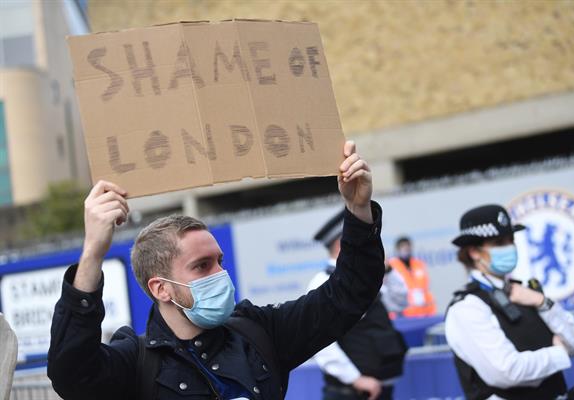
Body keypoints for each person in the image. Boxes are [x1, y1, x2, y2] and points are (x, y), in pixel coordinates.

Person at [47, 141, 385, 400]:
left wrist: (358, 210)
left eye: (219, 261)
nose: (219, 274)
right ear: (161, 288)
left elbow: (348, 294)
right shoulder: (136, 364)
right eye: (201, 266)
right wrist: (93, 252)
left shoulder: (258, 333)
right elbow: (71, 375)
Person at [445, 204, 574, 399]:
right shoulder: (467, 307)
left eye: (510, 240)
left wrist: (542, 302)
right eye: (498, 243)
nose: (509, 247)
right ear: (474, 252)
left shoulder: (527, 293)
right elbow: (507, 372)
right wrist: (558, 353)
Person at [307, 211, 407, 400]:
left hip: (380, 387)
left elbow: (400, 302)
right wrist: (355, 379)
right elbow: (320, 343)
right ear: (342, 242)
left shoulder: (366, 276)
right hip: (350, 392)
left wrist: (388, 270)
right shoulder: (322, 282)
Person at [387, 236, 436, 317]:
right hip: (402, 313)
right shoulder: (391, 266)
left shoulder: (419, 264)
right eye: (403, 247)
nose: (406, 249)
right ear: (397, 249)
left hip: (424, 312)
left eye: (408, 246)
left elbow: (425, 287)